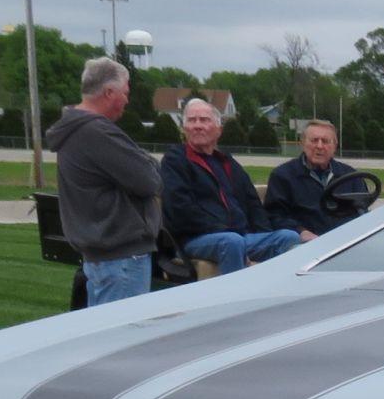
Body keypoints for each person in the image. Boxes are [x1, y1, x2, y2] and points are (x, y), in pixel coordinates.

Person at [46, 57, 162, 304]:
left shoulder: (75, 130)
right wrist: (147, 161)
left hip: (102, 258)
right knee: (126, 337)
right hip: (122, 260)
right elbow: (149, 180)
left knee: (106, 335)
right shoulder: (97, 132)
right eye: (125, 93)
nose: (127, 101)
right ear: (109, 92)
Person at [158, 97, 297, 275]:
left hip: (239, 237)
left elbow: (254, 205)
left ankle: (275, 292)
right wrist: (229, 232)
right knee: (232, 242)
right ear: (185, 128)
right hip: (196, 238)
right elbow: (181, 211)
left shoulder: (227, 163)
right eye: (192, 120)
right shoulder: (176, 160)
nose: (197, 125)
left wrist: (263, 234)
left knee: (289, 238)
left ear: (218, 130)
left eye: (204, 120)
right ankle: (237, 300)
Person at [262, 118, 362, 240]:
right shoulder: (283, 176)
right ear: (303, 143)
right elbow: (275, 216)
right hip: (304, 244)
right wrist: (301, 232)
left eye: (325, 141)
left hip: (346, 242)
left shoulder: (350, 176)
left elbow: (362, 211)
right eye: (314, 140)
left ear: (335, 146)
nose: (319, 146)